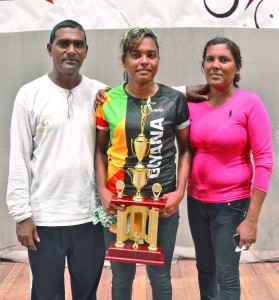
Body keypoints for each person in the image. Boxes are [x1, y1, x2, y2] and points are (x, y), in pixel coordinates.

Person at [6, 20, 107, 300]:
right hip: (44, 219)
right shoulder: (30, 94)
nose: (71, 50)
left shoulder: (101, 93)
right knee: (46, 294)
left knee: (87, 294)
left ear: (86, 51)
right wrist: (22, 215)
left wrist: (183, 91)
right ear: (50, 49)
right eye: (64, 44)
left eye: (78, 45)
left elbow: (141, 95)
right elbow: (19, 158)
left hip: (91, 217)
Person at [94, 27, 192, 300]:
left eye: (151, 55)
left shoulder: (174, 100)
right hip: (119, 203)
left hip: (162, 207)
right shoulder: (108, 100)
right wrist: (103, 191)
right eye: (136, 55)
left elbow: (186, 151)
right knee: (121, 277)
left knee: (160, 277)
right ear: (125, 59)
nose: (144, 61)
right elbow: (100, 151)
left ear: (159, 59)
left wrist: (179, 192)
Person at [186, 37, 273, 299]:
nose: (216, 65)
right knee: (205, 268)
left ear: (237, 67)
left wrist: (252, 219)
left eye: (224, 60)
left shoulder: (250, 103)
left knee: (226, 274)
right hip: (196, 202)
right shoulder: (193, 102)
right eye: (210, 59)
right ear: (203, 64)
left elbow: (265, 162)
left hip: (231, 205)